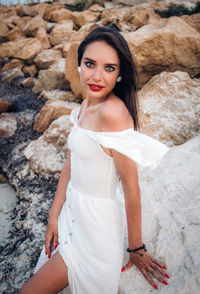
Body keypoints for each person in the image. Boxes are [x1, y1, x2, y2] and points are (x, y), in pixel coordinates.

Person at [19, 26, 169, 294]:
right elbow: (71, 161)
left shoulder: (113, 113)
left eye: (109, 68)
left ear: (120, 73)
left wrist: (136, 247)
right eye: (90, 64)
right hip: (70, 215)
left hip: (93, 231)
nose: (97, 76)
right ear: (79, 65)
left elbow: (131, 187)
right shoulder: (86, 105)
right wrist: (54, 216)